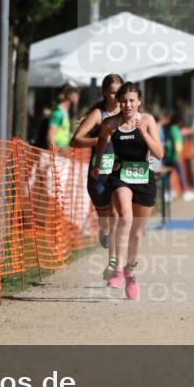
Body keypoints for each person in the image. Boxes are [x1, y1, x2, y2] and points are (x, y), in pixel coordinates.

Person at [92, 82, 164, 300]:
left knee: (138, 233)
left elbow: (159, 154)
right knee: (125, 216)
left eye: (132, 100)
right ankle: (117, 271)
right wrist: (97, 165)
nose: (128, 105)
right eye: (123, 101)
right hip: (121, 176)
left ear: (139, 102)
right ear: (118, 102)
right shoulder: (110, 124)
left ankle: (131, 272)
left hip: (144, 178)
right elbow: (101, 142)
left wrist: (144, 132)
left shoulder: (148, 121)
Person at [70, 74, 124, 277]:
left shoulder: (127, 114)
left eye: (119, 92)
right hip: (98, 175)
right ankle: (105, 231)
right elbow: (75, 141)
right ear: (104, 93)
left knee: (118, 215)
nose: (116, 97)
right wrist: (101, 140)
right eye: (112, 93)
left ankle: (115, 266)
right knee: (107, 221)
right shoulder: (98, 114)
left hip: (119, 174)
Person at [161, 110, 190, 202]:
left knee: (167, 176)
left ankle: (166, 194)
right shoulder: (174, 129)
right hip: (173, 156)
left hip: (167, 156)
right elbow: (175, 142)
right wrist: (177, 155)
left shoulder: (169, 128)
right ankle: (184, 192)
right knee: (180, 174)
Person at [47, 86, 79, 152]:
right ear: (71, 96)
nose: (78, 99)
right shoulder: (58, 113)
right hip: (58, 150)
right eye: (77, 96)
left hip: (63, 149)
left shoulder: (66, 112)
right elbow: (50, 135)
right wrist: (54, 153)